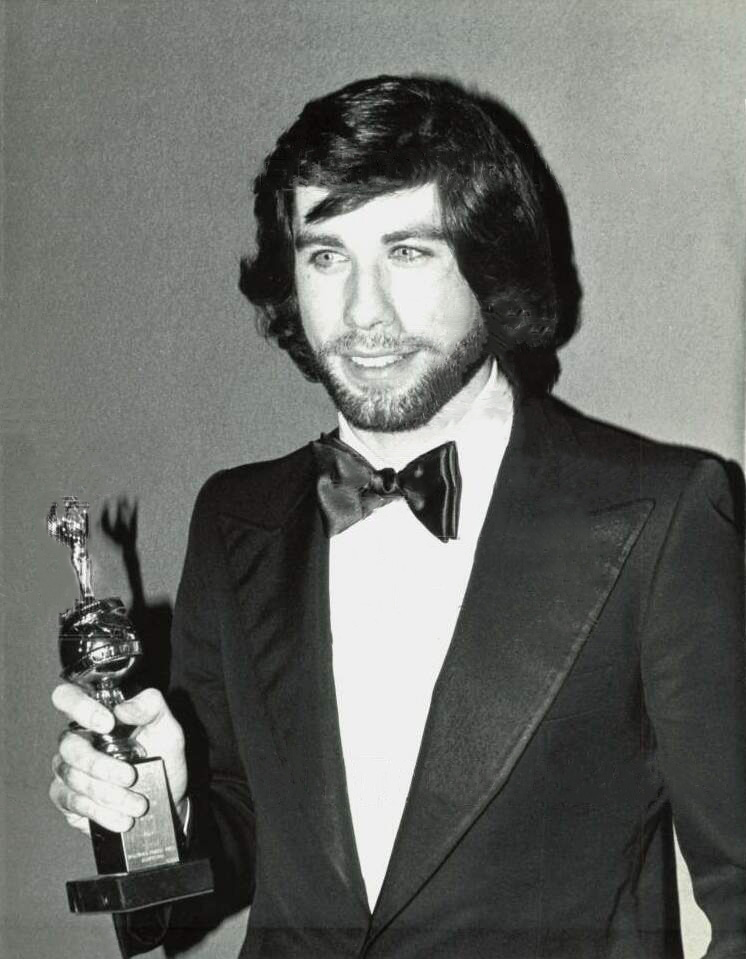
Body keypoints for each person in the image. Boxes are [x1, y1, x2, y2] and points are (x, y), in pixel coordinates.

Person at [50, 75, 745, 959]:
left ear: (488, 264)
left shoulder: (664, 517)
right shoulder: (235, 519)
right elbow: (219, 855)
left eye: (408, 252)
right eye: (326, 256)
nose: (362, 313)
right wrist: (154, 810)